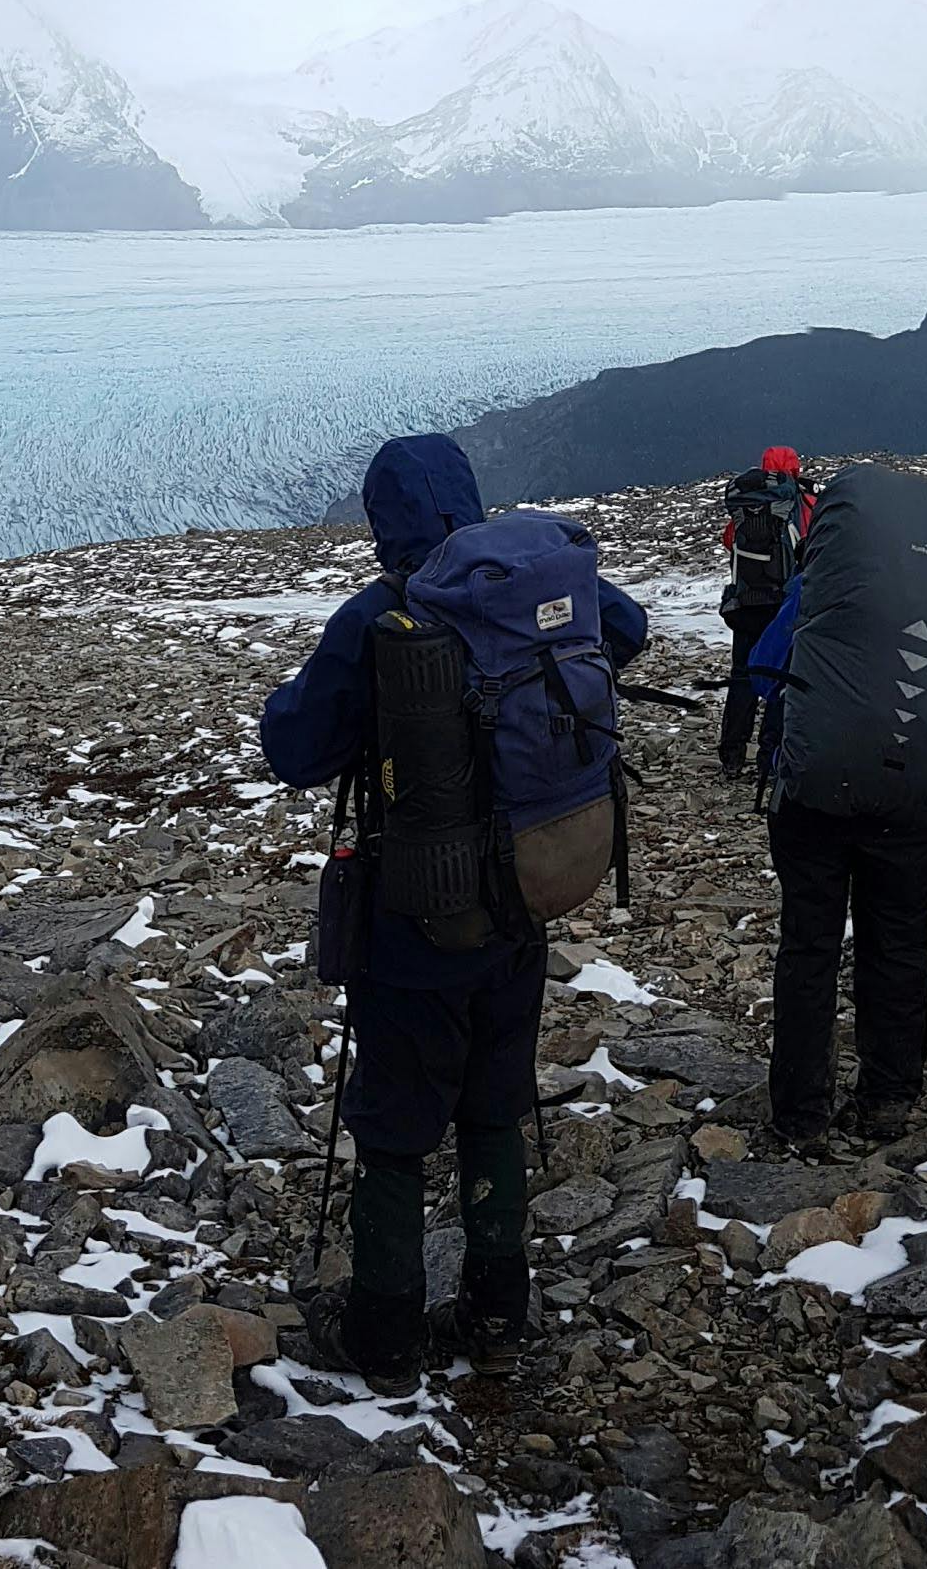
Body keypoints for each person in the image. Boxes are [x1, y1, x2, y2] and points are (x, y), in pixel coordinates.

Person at [261, 432, 652, 1384]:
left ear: (383, 520)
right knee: (493, 1100)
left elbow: (295, 748)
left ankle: (386, 1331)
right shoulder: (527, 588)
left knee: (395, 1120)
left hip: (414, 919)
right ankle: (497, 1307)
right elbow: (627, 629)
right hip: (525, 895)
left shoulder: (381, 616)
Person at [734, 466, 927, 1153]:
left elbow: (762, 670)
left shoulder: (815, 592)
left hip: (814, 799)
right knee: (897, 942)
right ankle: (888, 1096)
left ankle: (801, 1111)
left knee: (810, 947)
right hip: (909, 804)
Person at [715, 446, 817, 777]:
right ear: (796, 469)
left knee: (742, 676)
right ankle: (769, 757)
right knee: (780, 677)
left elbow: (729, 541)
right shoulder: (803, 504)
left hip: (745, 605)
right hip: (784, 606)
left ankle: (732, 753)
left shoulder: (746, 505)